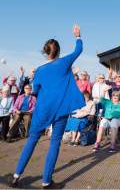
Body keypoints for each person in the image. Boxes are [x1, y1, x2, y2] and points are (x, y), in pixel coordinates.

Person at [9, 24, 85, 189]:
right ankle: (46, 181)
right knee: (55, 142)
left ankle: (16, 176)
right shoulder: (64, 62)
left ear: (45, 52)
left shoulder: (40, 70)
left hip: (43, 109)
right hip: (60, 109)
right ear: (58, 51)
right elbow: (78, 50)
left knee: (32, 140)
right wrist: (77, 35)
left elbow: (35, 91)